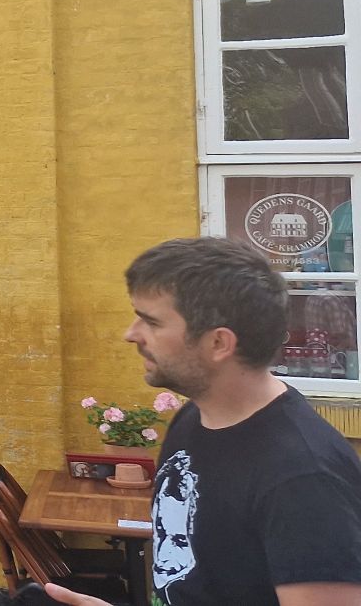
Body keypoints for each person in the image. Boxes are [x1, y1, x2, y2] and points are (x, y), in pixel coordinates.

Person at [47, 238, 361, 606]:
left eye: (151, 322)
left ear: (218, 343)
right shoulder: (194, 418)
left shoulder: (303, 478)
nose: (130, 334)